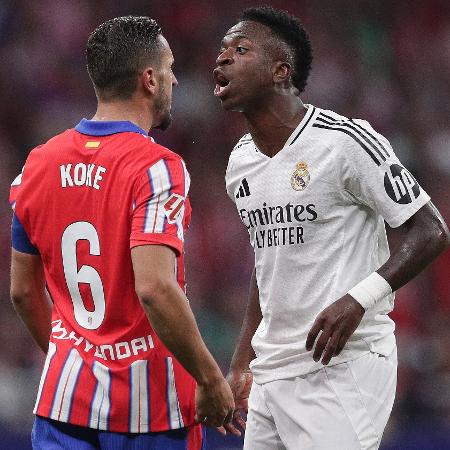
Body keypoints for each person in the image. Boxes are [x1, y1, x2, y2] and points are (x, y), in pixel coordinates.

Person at [213, 6, 449, 449]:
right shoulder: (240, 162)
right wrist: (242, 359)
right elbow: (268, 263)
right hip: (270, 373)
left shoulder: (346, 142)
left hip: (343, 366)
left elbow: (431, 231)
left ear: (281, 70)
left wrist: (358, 301)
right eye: (222, 50)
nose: (222, 59)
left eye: (240, 49)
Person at [9, 15, 234, 450]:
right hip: (152, 415)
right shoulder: (156, 167)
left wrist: (72, 358)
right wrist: (209, 378)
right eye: (169, 69)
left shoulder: (36, 165)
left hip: (63, 406)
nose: (176, 81)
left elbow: (22, 292)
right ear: (149, 80)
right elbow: (154, 288)